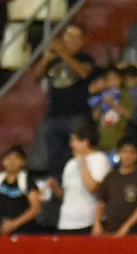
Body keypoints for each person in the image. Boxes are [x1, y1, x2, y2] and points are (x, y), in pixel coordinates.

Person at [36, 25, 95, 179]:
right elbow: (36, 77)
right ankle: (57, 185)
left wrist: (62, 52)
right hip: (54, 114)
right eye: (69, 36)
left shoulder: (85, 58)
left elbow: (83, 72)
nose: (73, 40)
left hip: (77, 115)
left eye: (77, 37)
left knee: (77, 155)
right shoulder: (53, 60)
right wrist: (46, 59)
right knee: (55, 156)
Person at [56, 122, 111, 235]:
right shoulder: (70, 164)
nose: (71, 144)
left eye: (74, 140)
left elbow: (93, 187)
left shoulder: (99, 159)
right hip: (66, 223)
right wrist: (55, 188)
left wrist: (83, 163)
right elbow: (67, 195)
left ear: (85, 142)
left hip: (87, 222)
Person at [94, 138, 137, 237]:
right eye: (124, 152)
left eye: (131, 153)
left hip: (134, 233)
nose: (127, 156)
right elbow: (101, 202)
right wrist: (97, 223)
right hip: (109, 231)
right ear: (119, 154)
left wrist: (126, 227)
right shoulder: (111, 176)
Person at [0, 145, 41, 234]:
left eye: (16, 159)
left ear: (23, 162)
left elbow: (36, 208)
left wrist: (14, 224)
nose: (12, 162)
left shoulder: (28, 181)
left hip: (24, 230)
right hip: (2, 228)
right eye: (8, 159)